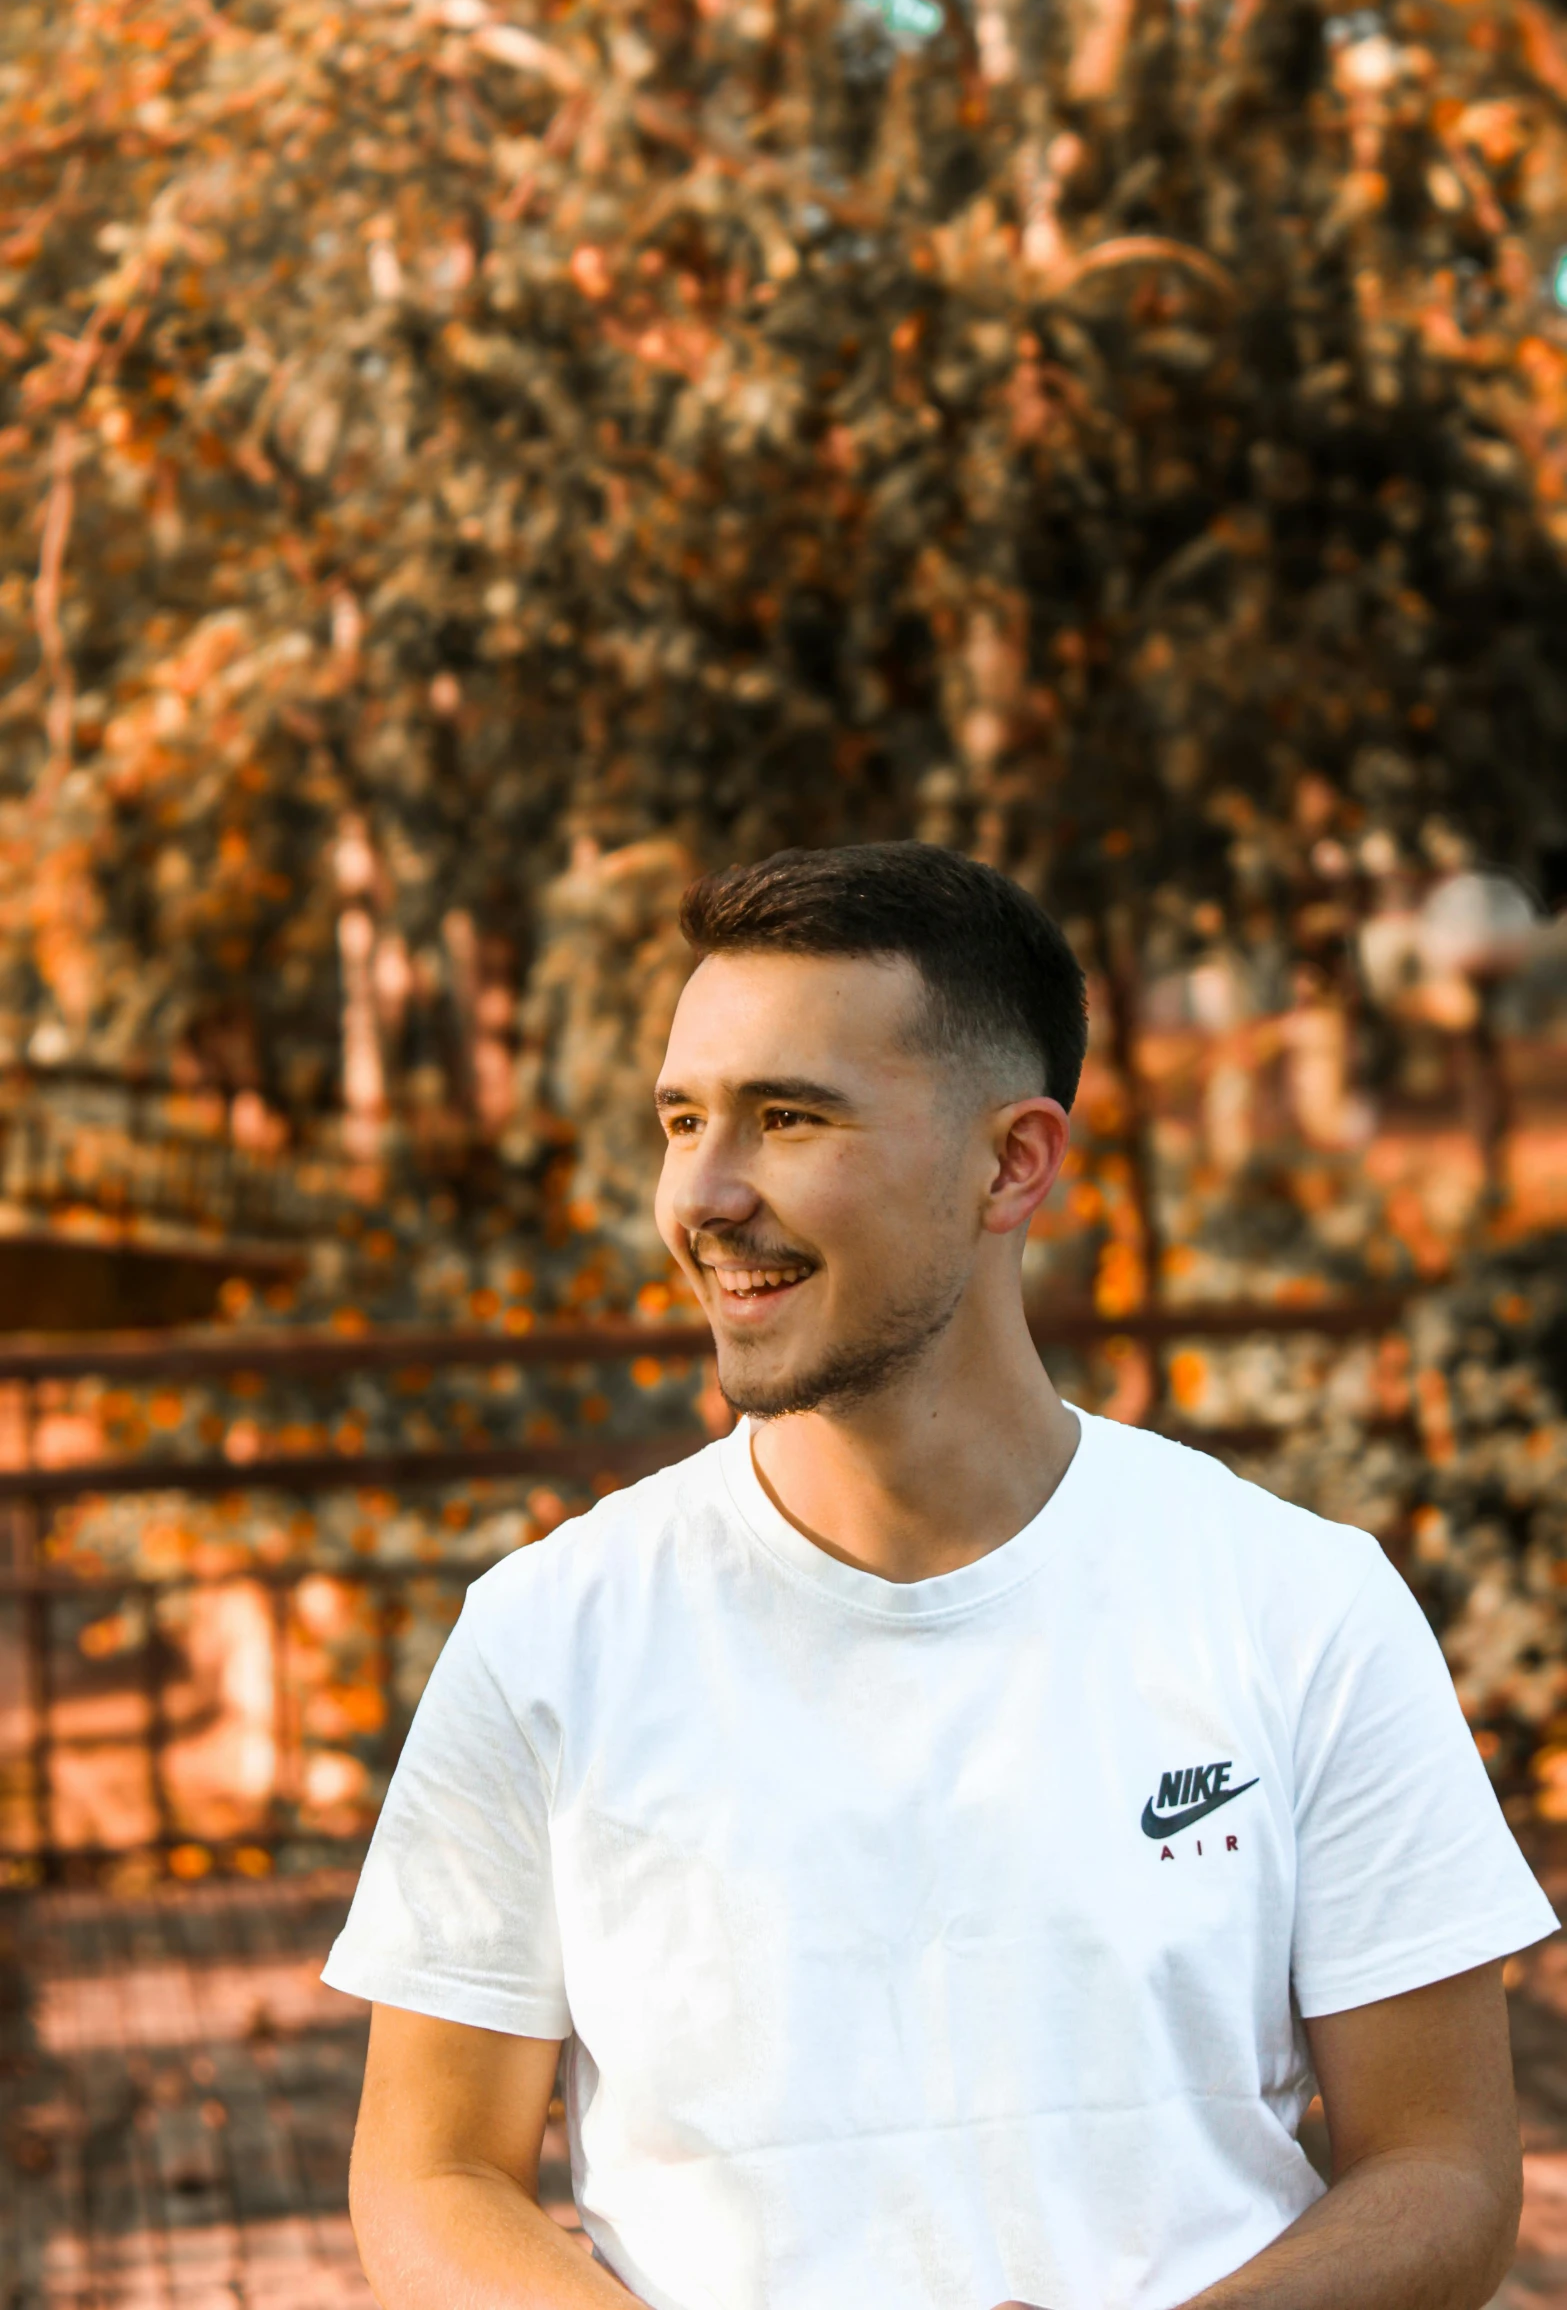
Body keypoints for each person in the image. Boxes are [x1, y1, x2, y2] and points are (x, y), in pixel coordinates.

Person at [326, 842, 1555, 2310]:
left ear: (1011, 1162)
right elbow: (429, 2173)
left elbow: (1443, 2172)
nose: (703, 1193)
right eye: (681, 1120)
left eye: (787, 1118)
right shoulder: (546, 1636)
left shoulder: (1299, 1607)